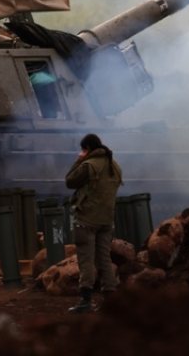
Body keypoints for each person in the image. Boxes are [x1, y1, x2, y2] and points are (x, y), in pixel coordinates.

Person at [64, 133, 123, 313]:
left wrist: (79, 161)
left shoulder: (89, 165)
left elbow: (69, 181)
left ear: (87, 149)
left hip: (87, 220)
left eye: (83, 150)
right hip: (107, 220)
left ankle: (85, 300)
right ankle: (110, 300)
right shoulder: (115, 165)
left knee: (86, 260)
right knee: (104, 259)